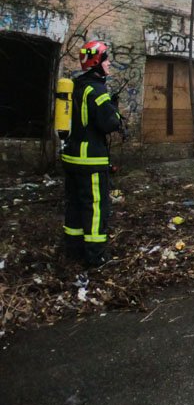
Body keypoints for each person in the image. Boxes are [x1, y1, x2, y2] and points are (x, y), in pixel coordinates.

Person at [63, 40, 124, 267]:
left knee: (75, 204)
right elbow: (109, 124)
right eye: (106, 59)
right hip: (90, 160)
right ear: (97, 62)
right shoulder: (97, 89)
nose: (109, 63)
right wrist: (114, 110)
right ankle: (96, 255)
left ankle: (73, 249)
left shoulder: (76, 86)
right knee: (96, 206)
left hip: (71, 157)